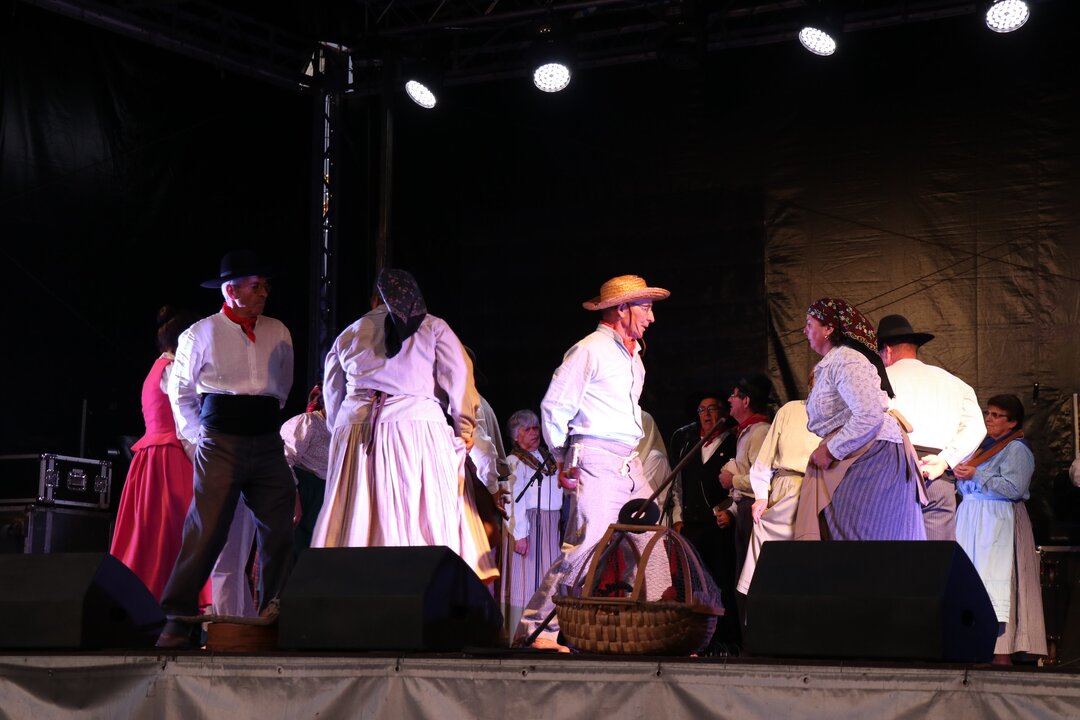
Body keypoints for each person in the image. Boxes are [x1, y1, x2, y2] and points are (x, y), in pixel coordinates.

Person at [514, 274, 670, 651]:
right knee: (587, 547)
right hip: (596, 457)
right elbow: (555, 406)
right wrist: (562, 458)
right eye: (645, 308)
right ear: (622, 309)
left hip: (629, 461)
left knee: (651, 541)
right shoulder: (590, 350)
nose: (651, 317)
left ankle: (656, 630)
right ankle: (536, 631)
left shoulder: (634, 357)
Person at [310, 269, 490, 580]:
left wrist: (344, 434)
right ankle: (421, 583)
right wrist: (465, 429)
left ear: (374, 300)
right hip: (416, 429)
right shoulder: (433, 327)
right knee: (418, 511)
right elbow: (459, 378)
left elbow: (333, 394)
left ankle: (356, 585)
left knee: (361, 514)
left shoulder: (350, 333)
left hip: (358, 430)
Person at [157, 250, 296, 648]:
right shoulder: (200, 334)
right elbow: (181, 393)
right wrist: (199, 437)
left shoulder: (278, 331)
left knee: (279, 526)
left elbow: (282, 387)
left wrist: (261, 420)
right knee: (206, 528)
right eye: (256, 286)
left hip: (265, 439)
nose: (264, 293)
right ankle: (177, 619)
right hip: (220, 439)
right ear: (231, 290)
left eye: (266, 286)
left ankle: (276, 612)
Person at [794, 297, 926, 542]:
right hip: (860, 450)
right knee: (850, 537)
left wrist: (831, 449)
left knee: (861, 538)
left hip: (871, 454)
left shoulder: (847, 359)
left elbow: (869, 414)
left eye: (810, 324)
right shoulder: (835, 361)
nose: (805, 331)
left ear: (829, 328)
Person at [110, 307, 209, 604]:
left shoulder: (156, 367)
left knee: (151, 530)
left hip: (150, 457)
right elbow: (184, 422)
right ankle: (171, 598)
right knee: (175, 530)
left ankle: (150, 597)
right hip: (170, 457)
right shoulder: (173, 369)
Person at [953, 394, 1047, 664]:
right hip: (971, 518)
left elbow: (1014, 488)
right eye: (988, 413)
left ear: (1012, 422)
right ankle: (970, 646)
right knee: (971, 581)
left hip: (997, 520)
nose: (989, 419)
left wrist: (976, 474)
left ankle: (1000, 652)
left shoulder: (1016, 449)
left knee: (996, 584)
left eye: (996, 415)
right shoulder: (981, 448)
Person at [877, 314, 985, 541]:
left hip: (890, 474)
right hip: (937, 478)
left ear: (886, 351)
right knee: (935, 557)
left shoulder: (876, 380)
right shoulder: (956, 383)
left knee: (890, 554)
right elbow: (977, 427)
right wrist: (945, 460)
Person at [668, 394, 738, 653]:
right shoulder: (689, 444)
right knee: (693, 585)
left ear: (723, 413)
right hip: (691, 526)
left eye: (712, 409)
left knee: (720, 582)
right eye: (702, 410)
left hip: (718, 525)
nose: (707, 415)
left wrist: (730, 511)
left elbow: (740, 485)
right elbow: (677, 485)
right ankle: (695, 639)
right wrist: (678, 518)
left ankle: (725, 641)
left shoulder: (733, 442)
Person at [735, 395, 821, 595]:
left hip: (820, 487)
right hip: (787, 487)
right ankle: (763, 601)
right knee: (769, 557)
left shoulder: (843, 408)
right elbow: (764, 459)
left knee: (809, 565)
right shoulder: (790, 410)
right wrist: (761, 496)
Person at [502, 409, 561, 634]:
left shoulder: (549, 458)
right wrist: (520, 535)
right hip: (530, 524)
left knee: (549, 578)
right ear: (516, 436)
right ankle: (523, 632)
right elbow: (513, 500)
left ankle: (548, 631)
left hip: (551, 524)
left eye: (536, 428)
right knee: (527, 579)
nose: (534, 433)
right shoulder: (514, 461)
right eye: (527, 429)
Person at [718, 374, 774, 582]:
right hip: (744, 510)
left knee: (752, 578)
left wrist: (732, 480)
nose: (729, 400)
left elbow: (763, 478)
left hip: (753, 511)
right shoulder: (747, 432)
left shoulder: (760, 432)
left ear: (746, 401)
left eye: (733, 395)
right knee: (742, 576)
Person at [282, 384, 331, 555]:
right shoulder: (308, 422)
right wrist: (294, 498)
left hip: (325, 494)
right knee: (296, 550)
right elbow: (283, 459)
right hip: (305, 490)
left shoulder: (343, 429)